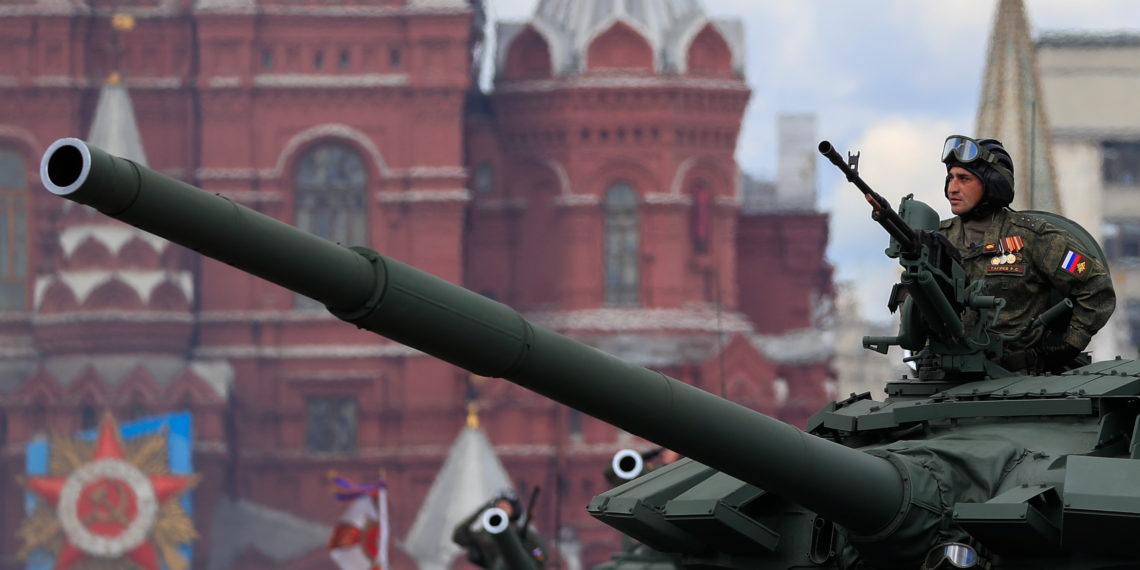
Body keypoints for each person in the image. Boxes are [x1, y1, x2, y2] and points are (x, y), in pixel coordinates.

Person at [937, 135, 1115, 373]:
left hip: (1018, 379)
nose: (952, 188)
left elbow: (1096, 287)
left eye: (964, 179)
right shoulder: (938, 239)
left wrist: (1070, 345)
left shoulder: (1033, 238)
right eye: (950, 178)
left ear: (991, 183)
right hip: (946, 379)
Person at [452, 490, 547, 569]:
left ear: (513, 510)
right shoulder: (486, 534)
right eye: (500, 506)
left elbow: (539, 555)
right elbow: (459, 536)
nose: (502, 509)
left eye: (506, 506)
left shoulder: (524, 534)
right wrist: (480, 511)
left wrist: (532, 549)